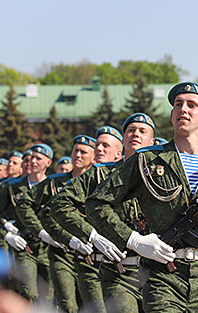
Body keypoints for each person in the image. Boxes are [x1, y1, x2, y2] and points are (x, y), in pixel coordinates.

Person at [85, 82, 198, 312]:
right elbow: (97, 204)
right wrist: (134, 240)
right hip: (163, 279)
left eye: (192, 105)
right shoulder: (146, 161)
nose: (183, 109)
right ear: (172, 115)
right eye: (178, 105)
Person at [51, 113, 155, 313]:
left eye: (142, 131)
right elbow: (59, 204)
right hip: (118, 270)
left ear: (151, 141)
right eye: (131, 130)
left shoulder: (161, 173)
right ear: (123, 140)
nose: (136, 134)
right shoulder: (100, 173)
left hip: (155, 272)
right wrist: (93, 235)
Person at [17, 135, 96, 313]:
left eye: (83, 152)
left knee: (88, 305)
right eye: (75, 150)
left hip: (91, 254)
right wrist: (41, 232)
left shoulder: (97, 180)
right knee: (68, 305)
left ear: (93, 157)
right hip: (62, 253)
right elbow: (24, 203)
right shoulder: (55, 182)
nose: (77, 155)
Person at [0, 144, 55, 302]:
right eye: (31, 158)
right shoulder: (12, 187)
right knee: (29, 291)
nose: (33, 161)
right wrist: (6, 234)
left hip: (49, 247)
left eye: (38, 158)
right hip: (24, 246)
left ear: (48, 163)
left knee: (49, 294)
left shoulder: (53, 186)